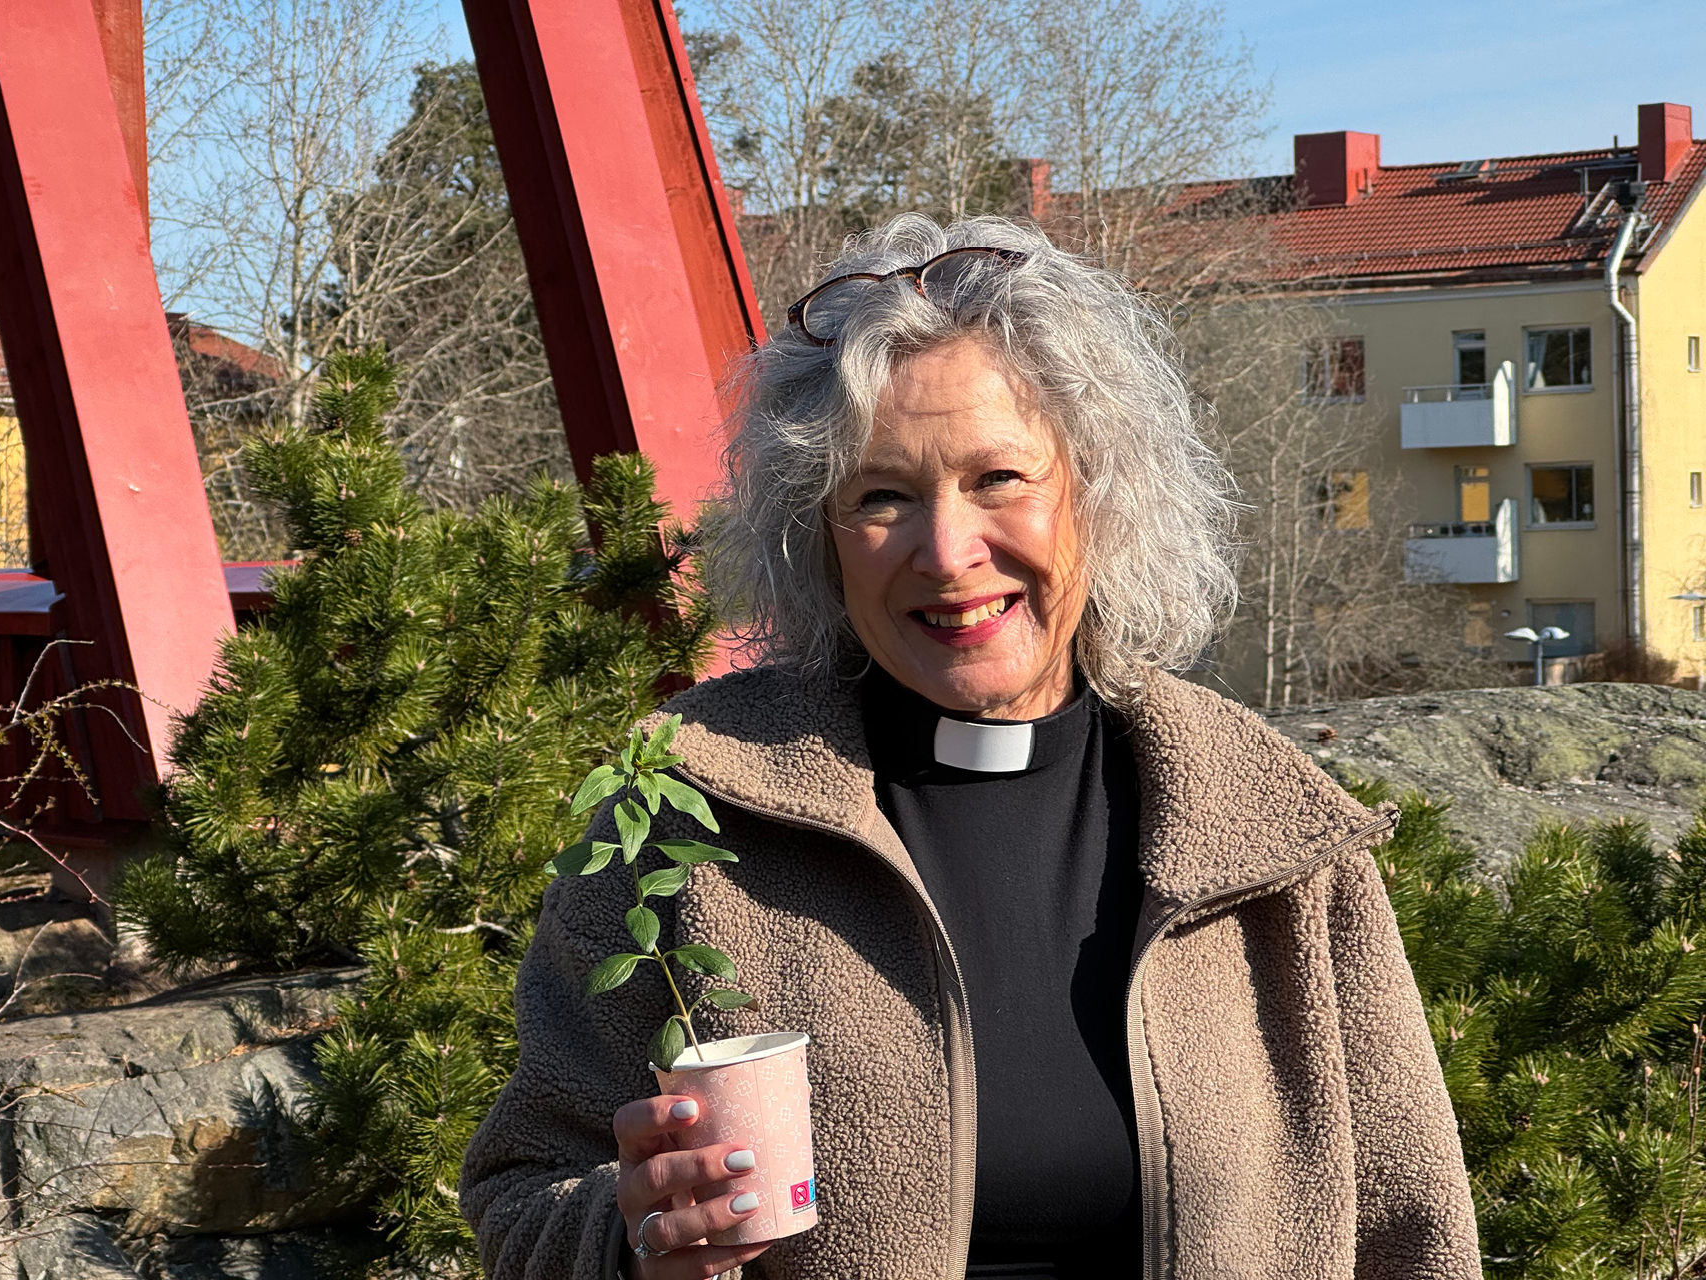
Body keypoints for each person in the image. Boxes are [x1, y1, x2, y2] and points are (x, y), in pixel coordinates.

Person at [461, 213, 1480, 1280]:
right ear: (816, 531)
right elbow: (522, 1190)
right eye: (882, 496)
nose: (946, 554)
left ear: (1099, 494)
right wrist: (632, 1239)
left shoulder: (1272, 833)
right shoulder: (687, 810)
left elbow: (1415, 1232)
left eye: (999, 479)